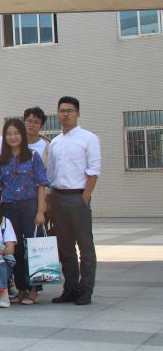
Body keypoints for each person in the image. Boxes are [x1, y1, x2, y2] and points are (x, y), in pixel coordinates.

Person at [46, 96, 101, 306]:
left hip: (78, 197)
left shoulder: (89, 138)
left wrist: (85, 196)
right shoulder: (55, 142)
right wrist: (49, 201)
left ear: (78, 113)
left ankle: (86, 290)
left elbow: (94, 170)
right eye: (61, 111)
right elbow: (50, 174)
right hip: (58, 198)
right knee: (65, 247)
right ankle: (70, 288)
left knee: (85, 246)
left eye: (69, 111)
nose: (65, 114)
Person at [0, 118, 49, 305]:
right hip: (9, 208)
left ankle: (34, 290)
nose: (13, 137)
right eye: (9, 134)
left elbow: (41, 185)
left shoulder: (33, 156)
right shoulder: (1, 160)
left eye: (16, 133)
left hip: (30, 206)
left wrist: (40, 211)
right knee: (14, 248)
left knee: (33, 248)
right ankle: (21, 289)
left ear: (22, 135)